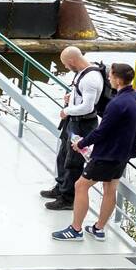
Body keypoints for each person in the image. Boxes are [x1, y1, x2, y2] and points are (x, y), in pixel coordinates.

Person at [52, 63, 136, 242]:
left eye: (110, 76)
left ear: (117, 79)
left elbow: (102, 130)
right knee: (110, 188)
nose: (108, 79)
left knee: (81, 185)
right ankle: (98, 229)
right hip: (124, 153)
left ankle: (75, 229)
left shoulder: (117, 103)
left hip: (107, 155)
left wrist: (82, 143)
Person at [40, 46, 104, 211]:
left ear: (72, 61)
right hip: (73, 122)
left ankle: (67, 198)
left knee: (73, 162)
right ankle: (60, 187)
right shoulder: (82, 72)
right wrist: (72, 97)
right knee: (63, 155)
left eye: (66, 65)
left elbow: (88, 107)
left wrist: (66, 110)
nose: (67, 68)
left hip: (83, 124)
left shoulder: (91, 78)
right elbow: (81, 96)